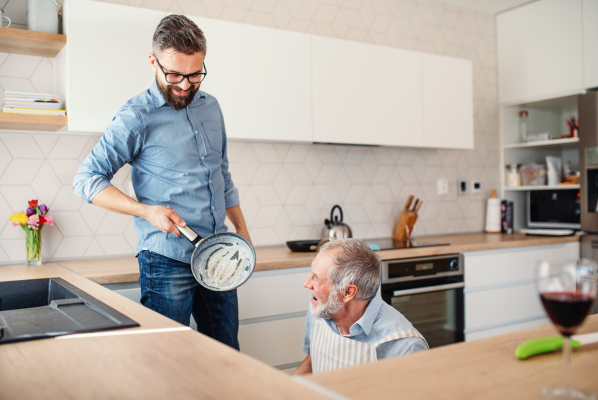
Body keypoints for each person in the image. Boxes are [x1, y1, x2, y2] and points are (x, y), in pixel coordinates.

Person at [73, 15, 250, 350]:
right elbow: (86, 180)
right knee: (165, 359)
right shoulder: (136, 117)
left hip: (219, 254)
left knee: (228, 355)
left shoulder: (212, 108)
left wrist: (241, 230)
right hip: (166, 260)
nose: (185, 85)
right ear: (153, 61)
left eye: (195, 74)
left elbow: (221, 172)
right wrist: (146, 212)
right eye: (174, 75)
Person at [293, 239, 428, 375]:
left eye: (315, 278)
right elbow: (314, 359)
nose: (306, 283)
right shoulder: (320, 307)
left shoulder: (406, 346)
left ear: (348, 292)